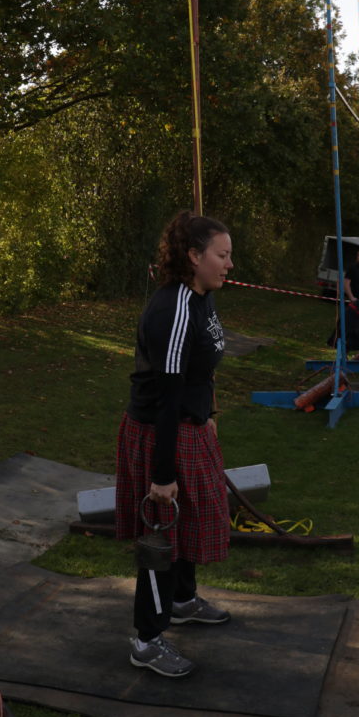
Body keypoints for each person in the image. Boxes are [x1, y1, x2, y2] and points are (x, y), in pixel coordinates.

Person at [115, 211, 233, 678]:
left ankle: (182, 600)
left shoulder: (203, 297)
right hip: (161, 433)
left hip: (190, 426)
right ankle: (146, 640)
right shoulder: (174, 309)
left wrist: (209, 415)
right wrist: (162, 477)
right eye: (222, 255)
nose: (229, 264)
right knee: (162, 533)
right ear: (193, 257)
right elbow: (166, 398)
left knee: (194, 521)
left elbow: (201, 370)